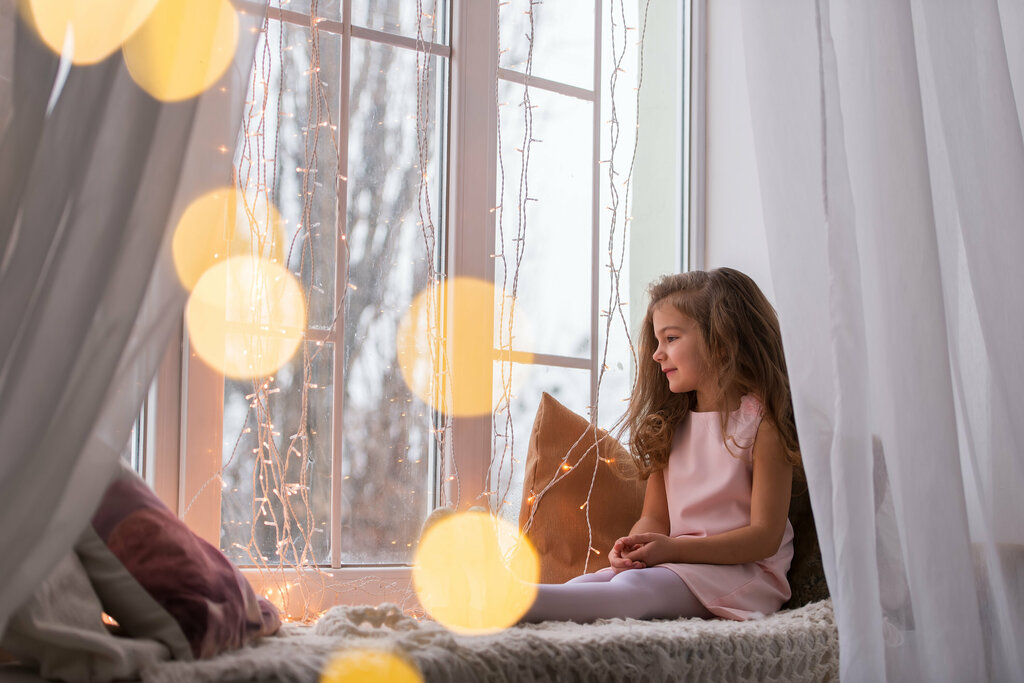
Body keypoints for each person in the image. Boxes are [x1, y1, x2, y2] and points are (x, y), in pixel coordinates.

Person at [521, 268, 801, 622]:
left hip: (745, 573)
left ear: (721, 341)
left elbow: (764, 538)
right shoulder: (671, 427)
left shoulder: (762, 425)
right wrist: (635, 546)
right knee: (592, 581)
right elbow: (654, 516)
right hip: (679, 565)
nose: (656, 354)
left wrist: (675, 550)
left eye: (670, 339)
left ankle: (507, 603)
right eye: (657, 341)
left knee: (633, 592)